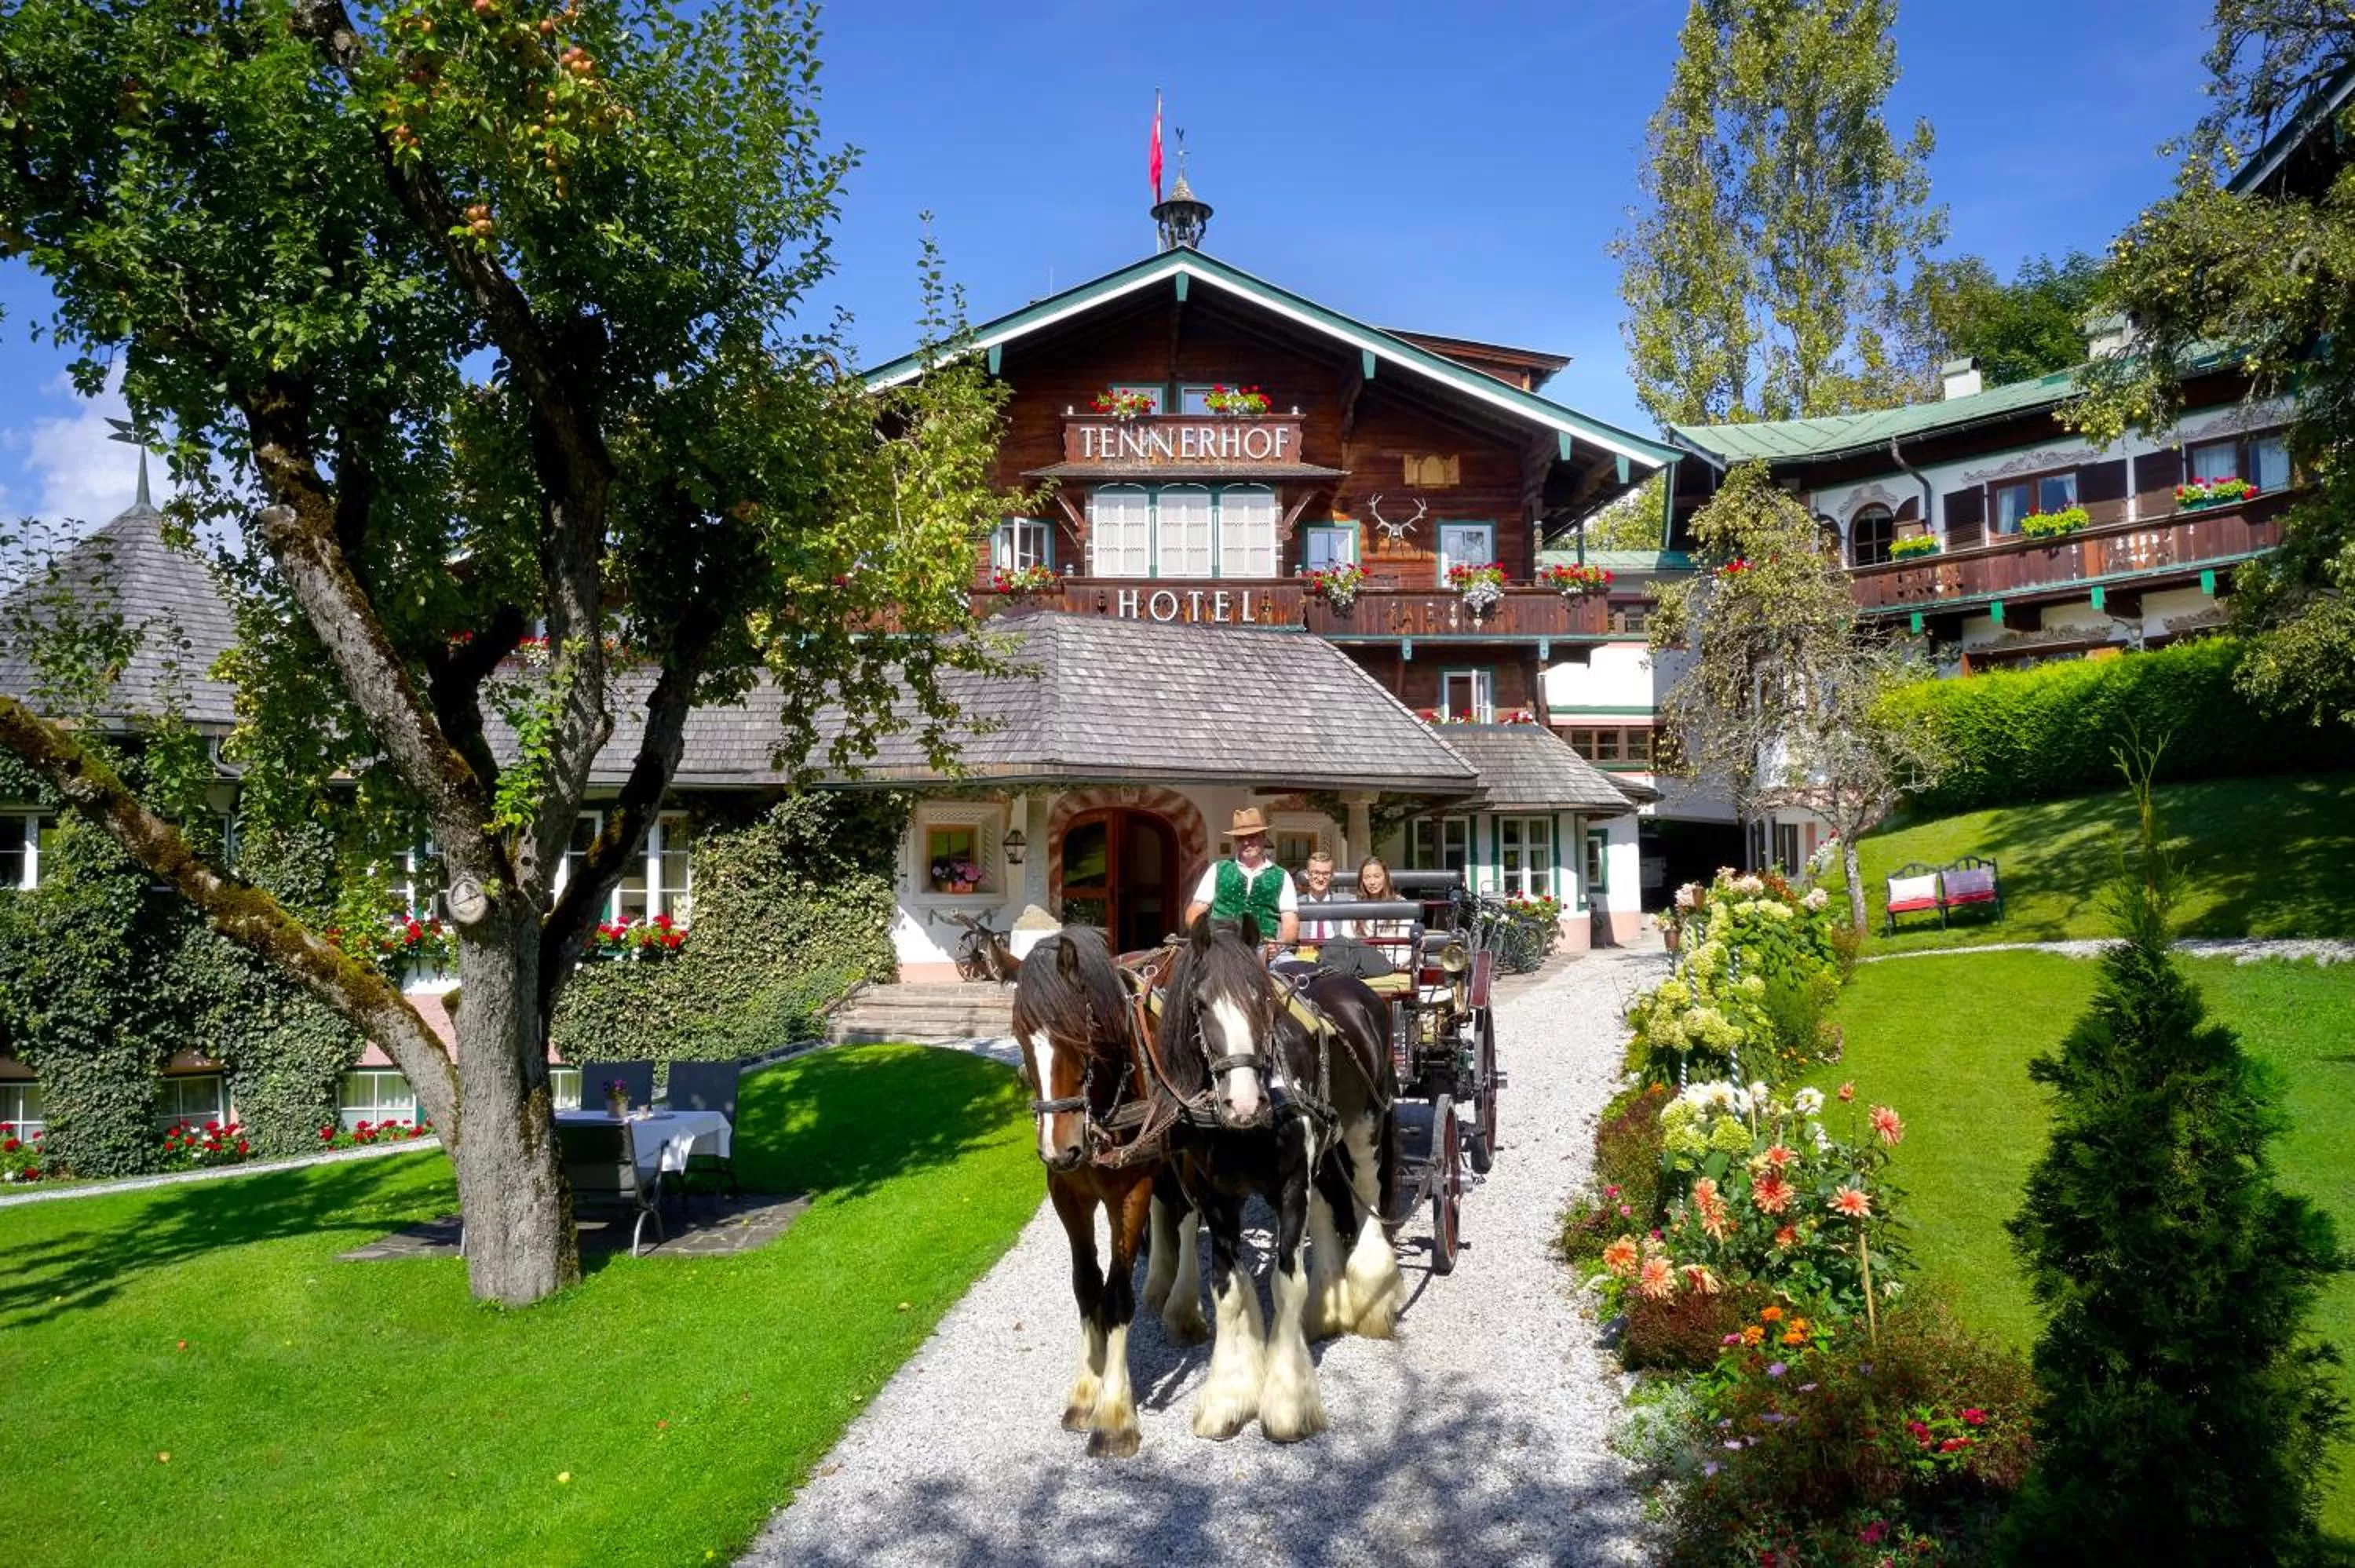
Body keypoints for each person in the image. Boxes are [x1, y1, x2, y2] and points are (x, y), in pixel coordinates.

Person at [1185, 807, 1298, 946]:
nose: (1246, 842)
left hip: (1264, 948)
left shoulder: (1282, 875)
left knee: (1292, 966)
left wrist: (1280, 944)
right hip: (1221, 947)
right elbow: (1196, 909)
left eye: (1252, 837)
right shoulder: (1218, 869)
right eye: (1240, 838)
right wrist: (1205, 937)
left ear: (1263, 837)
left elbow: (1290, 921)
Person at [1352, 855, 1418, 950]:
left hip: (1394, 961)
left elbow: (1405, 945)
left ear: (1385, 877)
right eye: (1367, 877)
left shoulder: (1401, 904)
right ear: (1362, 880)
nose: (1372, 882)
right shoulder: (1352, 905)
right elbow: (1348, 942)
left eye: (1377, 876)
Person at [1296, 851, 1344, 941]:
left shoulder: (1346, 903)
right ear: (1307, 874)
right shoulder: (1295, 905)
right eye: (1316, 873)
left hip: (1336, 953)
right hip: (1305, 953)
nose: (1321, 878)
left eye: (1326, 874)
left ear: (1332, 876)